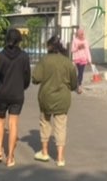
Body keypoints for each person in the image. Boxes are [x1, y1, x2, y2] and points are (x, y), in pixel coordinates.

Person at [31, 35, 78, 167]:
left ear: (49, 47)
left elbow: (35, 79)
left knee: (45, 123)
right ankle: (60, 157)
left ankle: (45, 152)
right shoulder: (67, 62)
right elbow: (74, 84)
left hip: (46, 98)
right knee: (61, 126)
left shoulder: (44, 60)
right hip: (63, 99)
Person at [0, 28, 30, 167]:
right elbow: (26, 77)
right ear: (19, 40)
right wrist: (22, 87)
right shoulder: (24, 56)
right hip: (17, 95)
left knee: (0, 120)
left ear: (6, 40)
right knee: (13, 124)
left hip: (1, 94)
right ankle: (10, 157)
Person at [70, 27, 93, 94]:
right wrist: (78, 48)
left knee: (81, 72)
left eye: (83, 34)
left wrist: (89, 59)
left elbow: (87, 50)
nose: (82, 35)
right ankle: (76, 83)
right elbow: (72, 50)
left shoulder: (85, 41)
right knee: (76, 72)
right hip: (76, 59)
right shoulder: (75, 40)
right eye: (80, 34)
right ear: (78, 34)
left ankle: (79, 85)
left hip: (83, 59)